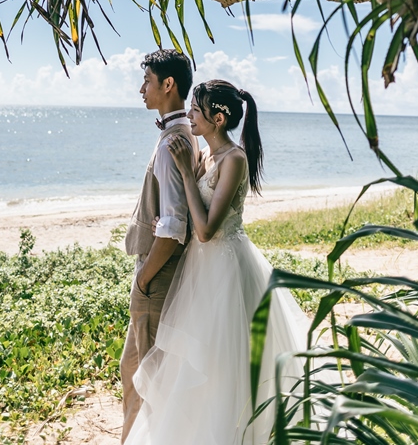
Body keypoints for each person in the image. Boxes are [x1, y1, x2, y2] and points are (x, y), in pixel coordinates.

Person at [125, 79, 308, 445]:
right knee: (197, 362)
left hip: (225, 267)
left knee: (225, 361)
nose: (190, 114)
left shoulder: (234, 160)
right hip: (199, 269)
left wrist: (182, 168)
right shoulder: (206, 155)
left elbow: (207, 229)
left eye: (197, 109)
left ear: (219, 118)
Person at [120, 48, 199, 442]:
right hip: (159, 277)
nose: (141, 89)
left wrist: (143, 281)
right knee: (133, 373)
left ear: (168, 85)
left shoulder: (173, 145)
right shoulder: (182, 135)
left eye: (147, 81)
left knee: (149, 384)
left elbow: (172, 228)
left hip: (157, 278)